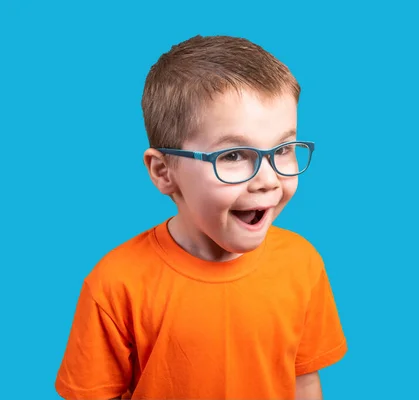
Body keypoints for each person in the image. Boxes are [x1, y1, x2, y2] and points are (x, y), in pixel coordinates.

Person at [54, 35, 347, 399]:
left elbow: (303, 380)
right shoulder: (115, 285)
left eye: (283, 149)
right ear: (164, 171)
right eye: (234, 155)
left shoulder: (302, 264)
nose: (269, 180)